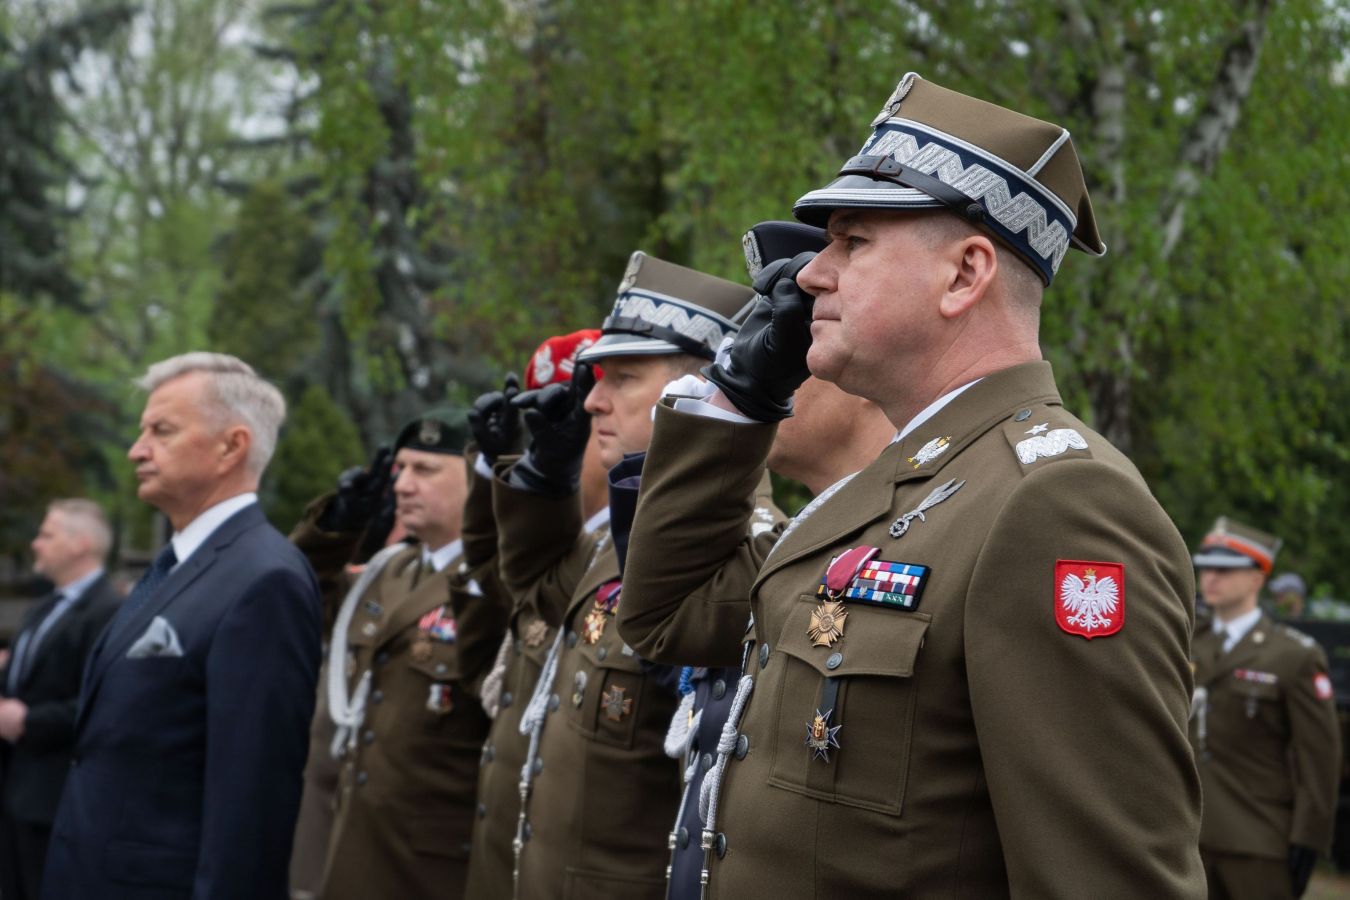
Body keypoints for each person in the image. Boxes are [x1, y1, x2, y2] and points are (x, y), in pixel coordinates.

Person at [619, 72, 1205, 898]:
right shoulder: (899, 486)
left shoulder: (1057, 504)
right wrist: (739, 399)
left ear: (965, 275)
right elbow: (666, 615)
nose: (811, 275)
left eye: (852, 242)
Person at [623, 222, 897, 900]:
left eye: (798, 338)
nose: (752, 358)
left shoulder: (961, 519)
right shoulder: (806, 541)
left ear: (858, 372)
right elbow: (663, 617)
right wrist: (741, 400)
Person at [499, 252, 758, 900]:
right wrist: (541, 476)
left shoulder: (738, 551)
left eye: (623, 377)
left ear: (695, 391)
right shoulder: (620, 542)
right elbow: (531, 592)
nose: (592, 401)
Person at [42, 352, 322, 900]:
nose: (136, 449)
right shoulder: (178, 564)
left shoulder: (265, 579)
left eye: (161, 430)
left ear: (231, 446)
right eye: (142, 430)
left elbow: (252, 800)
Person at [306, 411, 510, 900]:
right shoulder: (386, 572)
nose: (403, 485)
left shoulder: (496, 582)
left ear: (472, 477)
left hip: (434, 864)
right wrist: (335, 530)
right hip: (354, 845)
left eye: (425, 470)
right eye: (400, 471)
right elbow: (299, 603)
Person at [463, 329, 608, 900]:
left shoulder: (625, 549)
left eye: (573, 419)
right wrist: (491, 470)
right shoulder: (565, 547)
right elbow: (490, 572)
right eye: (539, 428)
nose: (553, 442)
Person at [1190, 517, 1341, 900]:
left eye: (1224, 570)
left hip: (1258, 839)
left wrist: (1308, 838)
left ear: (1257, 578)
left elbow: (1319, 758)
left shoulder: (1293, 656)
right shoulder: (1188, 642)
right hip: (1189, 837)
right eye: (1205, 568)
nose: (1211, 578)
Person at [0, 500, 120, 900]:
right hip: (17, 792)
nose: (35, 544)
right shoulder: (45, 606)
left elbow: (105, 702)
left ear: (79, 544)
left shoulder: (109, 611)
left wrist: (28, 721)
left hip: (58, 799)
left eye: (47, 534)